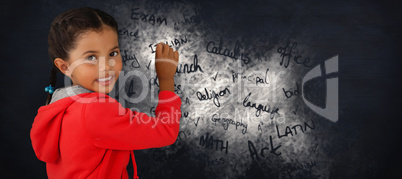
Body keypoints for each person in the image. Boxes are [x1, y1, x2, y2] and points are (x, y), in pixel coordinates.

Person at [30, 7, 181, 179]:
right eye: (91, 57)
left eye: (113, 53)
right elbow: (167, 131)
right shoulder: (95, 110)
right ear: (65, 67)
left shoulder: (59, 104)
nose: (106, 66)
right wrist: (167, 78)